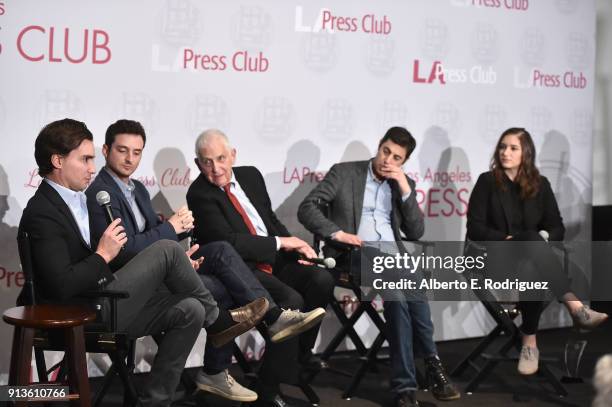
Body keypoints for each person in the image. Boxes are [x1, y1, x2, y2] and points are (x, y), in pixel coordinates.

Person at [20, 118, 265, 407]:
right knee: (166, 249)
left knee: (190, 309)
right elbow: (62, 286)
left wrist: (169, 266)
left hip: (105, 299)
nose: (91, 167)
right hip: (82, 312)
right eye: (85, 159)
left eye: (92, 159)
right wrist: (103, 254)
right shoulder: (42, 212)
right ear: (57, 161)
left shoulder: (76, 200)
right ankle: (220, 322)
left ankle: (155, 402)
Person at [86, 119, 319, 402]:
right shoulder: (100, 194)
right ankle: (234, 352)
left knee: (220, 258)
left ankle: (226, 362)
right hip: (131, 287)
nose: (130, 159)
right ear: (106, 150)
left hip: (162, 271)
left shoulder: (138, 189)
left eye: (136, 152)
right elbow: (122, 251)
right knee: (224, 273)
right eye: (122, 151)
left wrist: (181, 258)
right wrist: (171, 227)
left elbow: (154, 242)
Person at [298, 126, 460, 407]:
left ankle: (407, 387)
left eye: (397, 157)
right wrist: (337, 234)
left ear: (403, 161)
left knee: (401, 291)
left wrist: (407, 190)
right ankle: (431, 366)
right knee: (407, 280)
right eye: (386, 151)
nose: (388, 160)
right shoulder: (345, 172)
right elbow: (307, 207)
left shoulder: (401, 184)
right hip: (354, 254)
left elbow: (417, 231)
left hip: (392, 259)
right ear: (379, 146)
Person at [186, 128, 333, 407]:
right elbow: (230, 243)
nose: (215, 168)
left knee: (321, 279)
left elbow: (269, 220)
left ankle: (297, 357)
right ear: (197, 163)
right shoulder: (199, 194)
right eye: (207, 161)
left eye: (220, 158)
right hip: (243, 271)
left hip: (276, 261)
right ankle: (268, 389)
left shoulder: (251, 175)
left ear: (233, 155)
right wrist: (281, 242)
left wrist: (295, 247)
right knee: (292, 300)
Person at [466, 127, 608, 376]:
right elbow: (475, 228)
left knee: (532, 260)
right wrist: (510, 238)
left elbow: (556, 227)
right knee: (531, 241)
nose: (505, 152)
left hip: (532, 264)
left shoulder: (540, 185)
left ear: (526, 153)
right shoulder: (486, 182)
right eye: (502, 147)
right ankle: (575, 308)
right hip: (495, 258)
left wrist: (541, 239)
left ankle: (529, 344)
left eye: (513, 148)